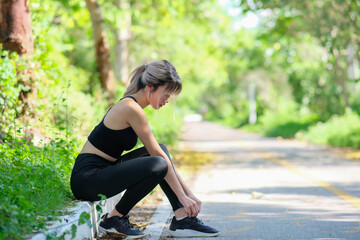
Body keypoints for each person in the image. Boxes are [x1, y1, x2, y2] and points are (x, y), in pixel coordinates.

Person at [70, 60, 219, 239]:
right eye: (166, 93)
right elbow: (158, 159)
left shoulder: (133, 106)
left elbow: (159, 153)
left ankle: (182, 218)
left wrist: (189, 195)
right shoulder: (131, 108)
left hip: (102, 171)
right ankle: (114, 218)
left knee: (160, 154)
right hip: (87, 179)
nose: (167, 100)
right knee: (157, 162)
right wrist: (183, 195)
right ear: (150, 88)